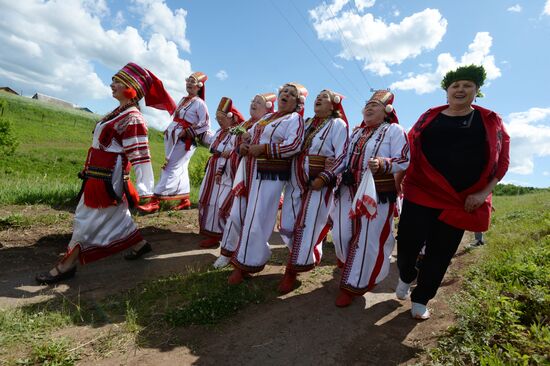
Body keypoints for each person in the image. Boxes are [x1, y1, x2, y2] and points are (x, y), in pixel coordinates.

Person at [36, 62, 176, 284]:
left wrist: (145, 189)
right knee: (116, 214)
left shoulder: (134, 118)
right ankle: (140, 244)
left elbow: (140, 155)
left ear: (132, 88)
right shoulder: (119, 112)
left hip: (106, 178)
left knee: (85, 218)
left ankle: (67, 265)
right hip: (98, 173)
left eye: (117, 81)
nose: (112, 84)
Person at [395, 65, 510, 319]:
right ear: (446, 91)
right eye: (455, 85)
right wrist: (399, 178)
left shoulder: (490, 120)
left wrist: (482, 194)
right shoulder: (429, 116)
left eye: (467, 85)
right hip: (421, 191)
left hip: (460, 200)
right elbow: (409, 149)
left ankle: (422, 298)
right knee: (406, 243)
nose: (460, 89)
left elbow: (501, 163)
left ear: (477, 91)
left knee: (441, 251)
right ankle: (406, 274)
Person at [331, 90, 410, 307]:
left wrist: (383, 163)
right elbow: (344, 158)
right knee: (340, 234)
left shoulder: (394, 130)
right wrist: (329, 171)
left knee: (366, 239)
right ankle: (351, 268)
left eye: (375, 104)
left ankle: (352, 286)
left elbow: (404, 159)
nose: (369, 107)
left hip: (376, 193)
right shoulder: (356, 133)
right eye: (367, 104)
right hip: (348, 189)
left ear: (387, 111)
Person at [228, 83, 307, 285]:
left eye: (291, 94)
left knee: (258, 216)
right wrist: (245, 144)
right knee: (243, 212)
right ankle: (243, 255)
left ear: (297, 103)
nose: (286, 95)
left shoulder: (295, 119)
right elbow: (249, 134)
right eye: (284, 92)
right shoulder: (266, 118)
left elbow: (294, 145)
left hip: (269, 173)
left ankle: (246, 264)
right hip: (250, 169)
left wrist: (264, 149)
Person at [277, 89, 349, 294]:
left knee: (305, 225)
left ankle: (291, 271)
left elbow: (343, 156)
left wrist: (324, 176)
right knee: (287, 224)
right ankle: (309, 252)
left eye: (324, 97)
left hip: (319, 184)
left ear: (334, 105)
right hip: (295, 179)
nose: (318, 99)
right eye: (318, 96)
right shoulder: (306, 122)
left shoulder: (338, 124)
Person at [213, 93, 277, 268]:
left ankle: (254, 252)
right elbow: (231, 149)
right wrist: (222, 169)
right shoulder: (243, 125)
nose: (253, 104)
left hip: (258, 177)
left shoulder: (271, 124)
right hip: (237, 175)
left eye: (259, 102)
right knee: (233, 215)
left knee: (254, 218)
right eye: (252, 101)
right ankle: (227, 253)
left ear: (269, 107)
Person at [138, 71, 210, 213]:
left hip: (184, 141)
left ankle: (155, 200)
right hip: (173, 138)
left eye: (192, 82)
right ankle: (185, 200)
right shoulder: (183, 100)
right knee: (180, 169)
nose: (189, 84)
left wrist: (188, 131)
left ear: (199, 86)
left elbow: (205, 124)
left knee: (169, 167)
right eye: (188, 81)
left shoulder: (200, 104)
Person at [198, 97, 244, 248]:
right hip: (213, 167)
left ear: (231, 117)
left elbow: (236, 151)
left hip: (225, 171)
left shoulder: (236, 133)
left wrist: (228, 154)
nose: (219, 121)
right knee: (207, 198)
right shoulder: (219, 132)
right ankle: (210, 232)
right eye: (217, 118)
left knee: (219, 202)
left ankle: (220, 235)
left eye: (222, 118)